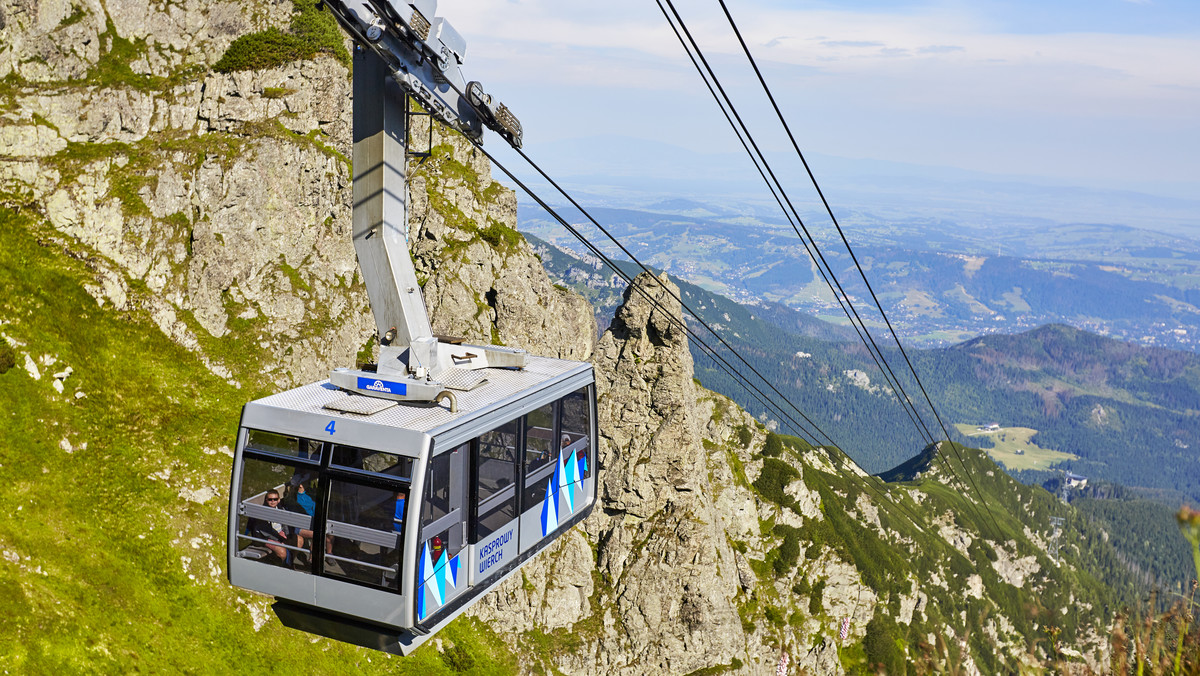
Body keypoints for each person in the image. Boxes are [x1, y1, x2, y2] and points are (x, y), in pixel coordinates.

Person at [247, 490, 291, 563]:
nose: (273, 501)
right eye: (270, 499)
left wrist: (286, 534)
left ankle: (289, 563)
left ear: (279, 500)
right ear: (266, 500)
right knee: (282, 551)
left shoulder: (281, 509)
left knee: (297, 541)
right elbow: (266, 532)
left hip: (279, 534)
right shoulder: (263, 513)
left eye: (275, 499)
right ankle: (282, 566)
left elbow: (285, 524)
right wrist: (280, 539)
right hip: (264, 538)